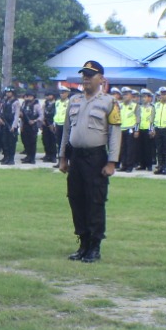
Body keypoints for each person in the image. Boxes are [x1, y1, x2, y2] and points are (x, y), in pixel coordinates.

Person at [59, 61, 121, 262]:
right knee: (76, 199)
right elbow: (66, 131)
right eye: (84, 75)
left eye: (90, 75)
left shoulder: (109, 102)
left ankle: (95, 246)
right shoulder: (74, 100)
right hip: (76, 157)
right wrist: (62, 157)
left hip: (96, 159)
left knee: (95, 201)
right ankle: (83, 243)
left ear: (101, 79)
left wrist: (112, 161)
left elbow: (115, 134)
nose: (86, 78)